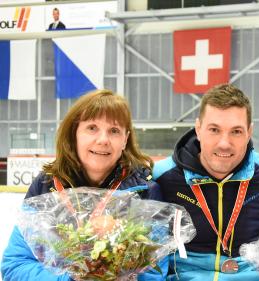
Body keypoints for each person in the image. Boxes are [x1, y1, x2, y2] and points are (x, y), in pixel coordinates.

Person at [1, 89, 158, 280]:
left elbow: (155, 271)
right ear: (74, 133)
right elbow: (15, 264)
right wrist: (70, 279)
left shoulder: (145, 191)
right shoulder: (45, 185)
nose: (103, 140)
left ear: (125, 139)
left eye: (114, 131)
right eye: (92, 128)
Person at [143, 83, 259, 281]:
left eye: (236, 131)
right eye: (214, 130)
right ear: (198, 129)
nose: (224, 143)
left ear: (249, 132)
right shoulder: (162, 177)